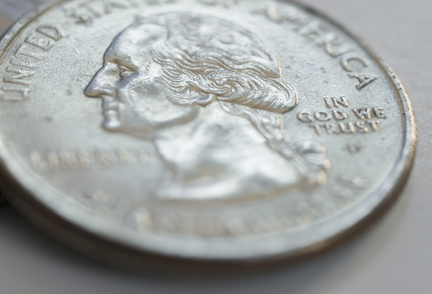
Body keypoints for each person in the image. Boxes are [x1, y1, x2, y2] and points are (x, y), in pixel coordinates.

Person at [84, 12, 329, 201]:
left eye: (124, 71)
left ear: (199, 86)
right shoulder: (180, 188)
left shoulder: (258, 183)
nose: (94, 88)